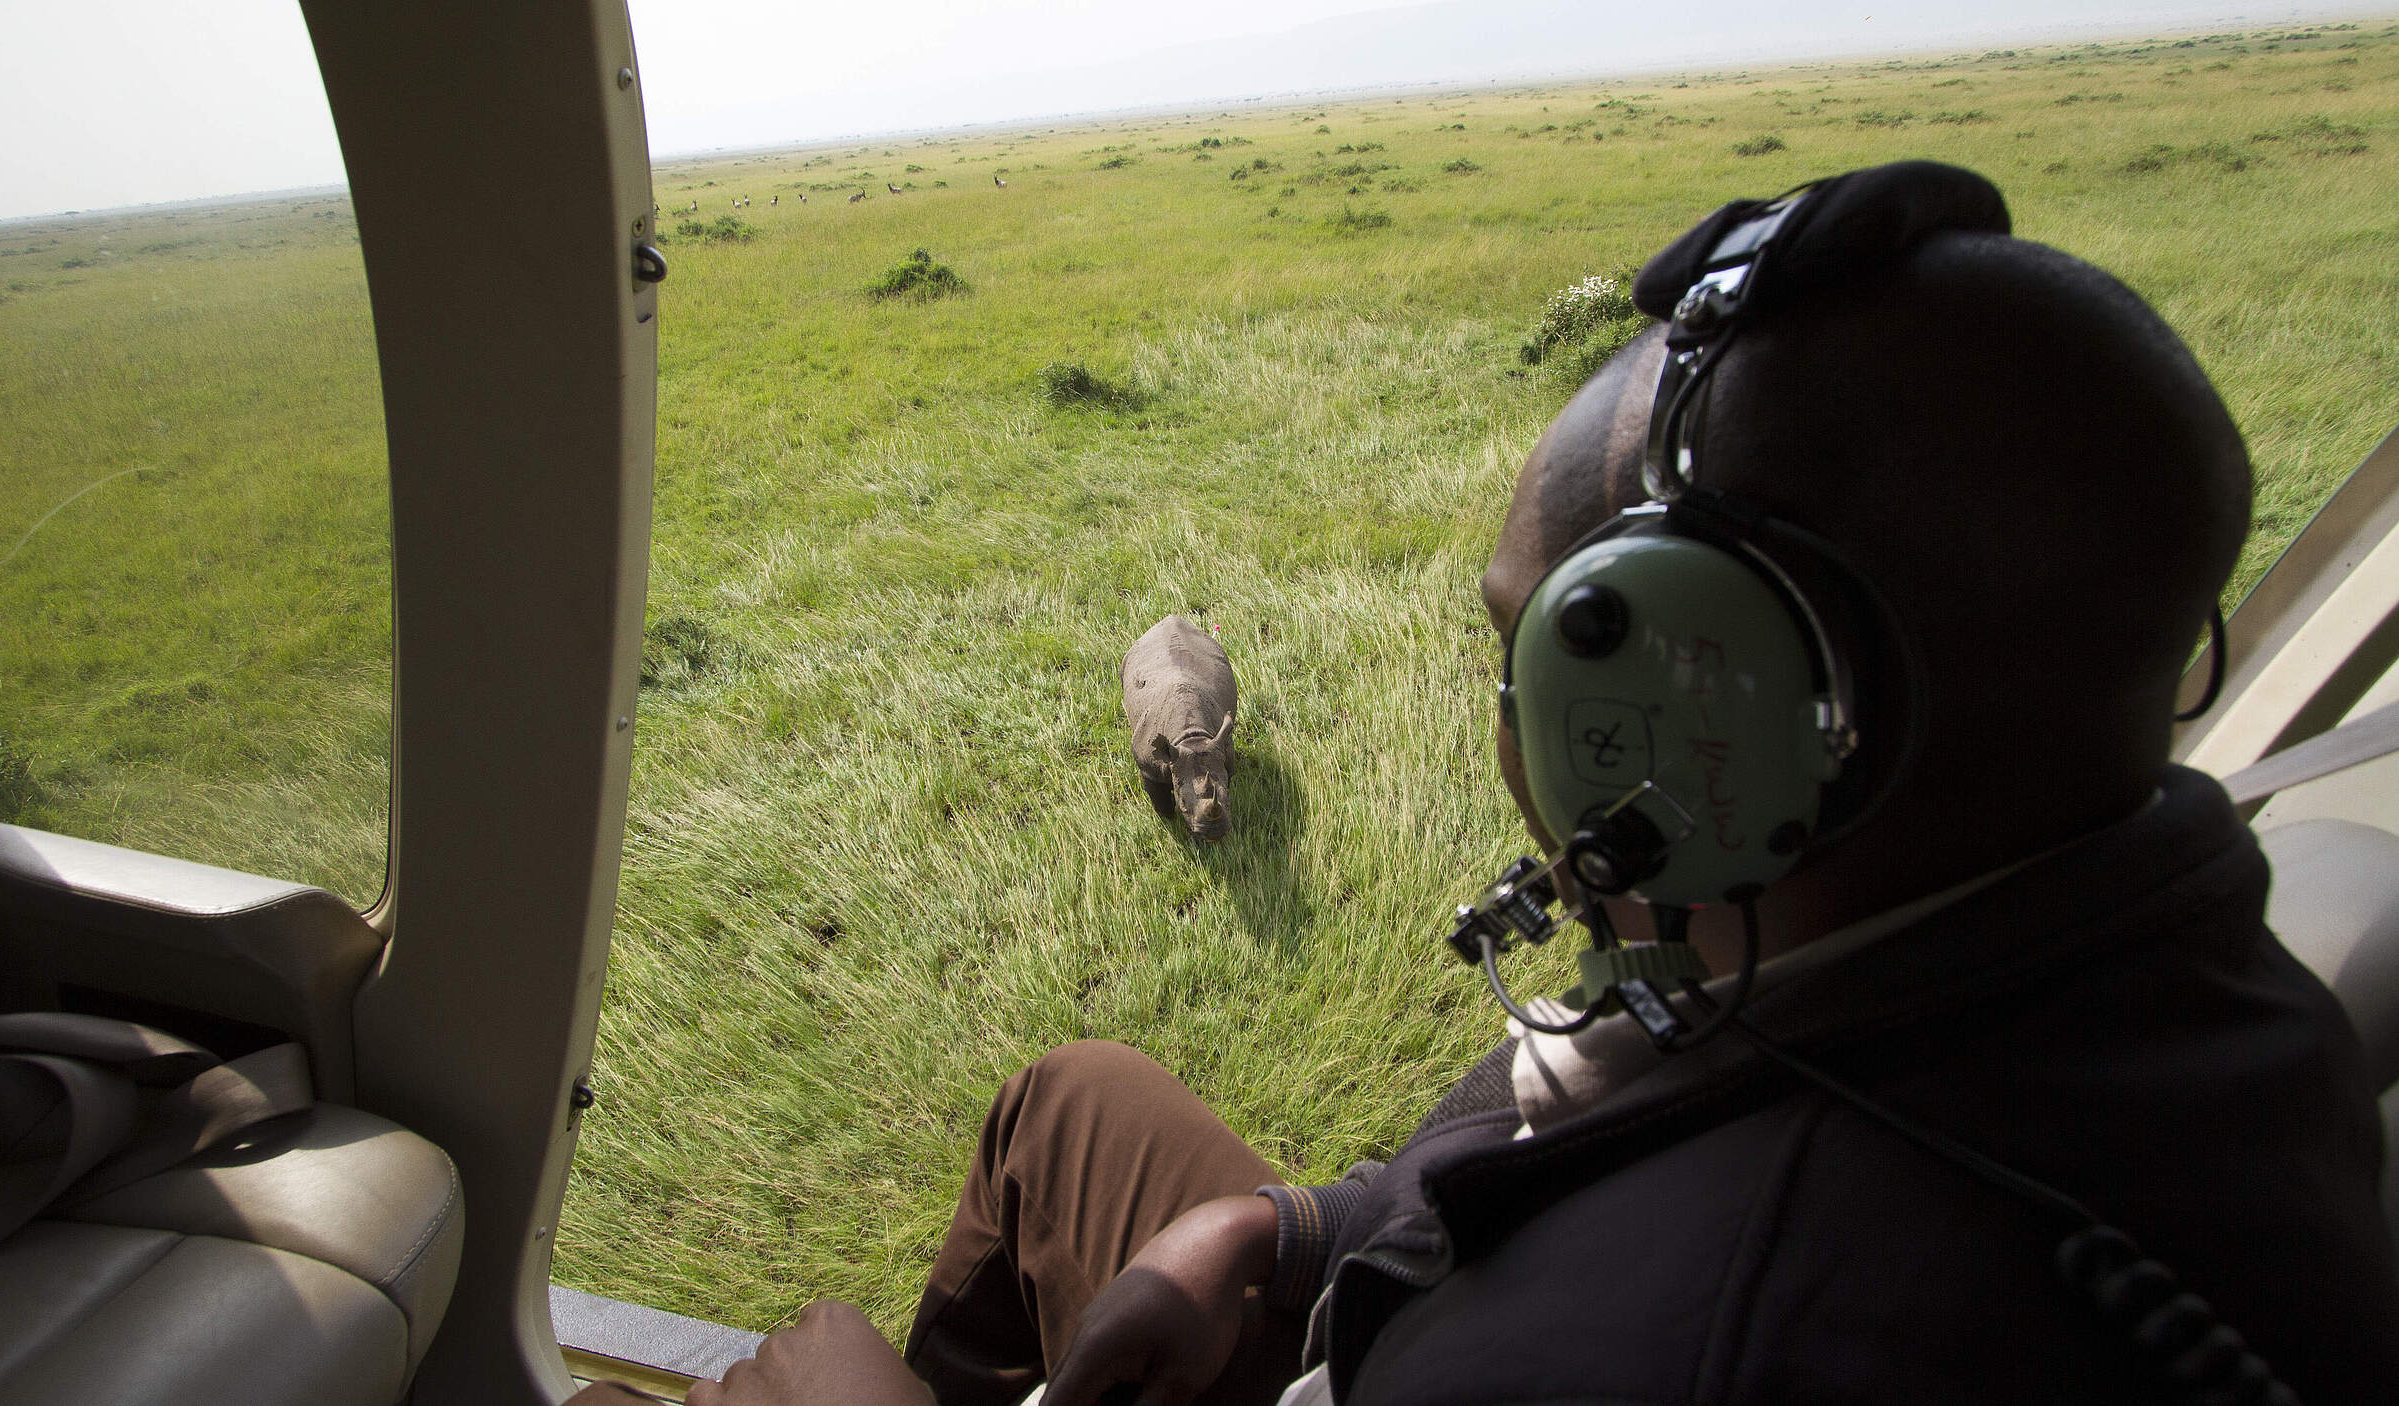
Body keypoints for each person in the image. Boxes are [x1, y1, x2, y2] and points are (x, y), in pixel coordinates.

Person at [572, 162, 2399, 1406]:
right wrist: (1282, 1234)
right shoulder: (2089, 933)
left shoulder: (1683, 1341)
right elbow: (1575, 1127)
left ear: (1747, 716)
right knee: (1078, 1100)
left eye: (1545, 657)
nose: (1513, 734)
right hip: (1400, 1290)